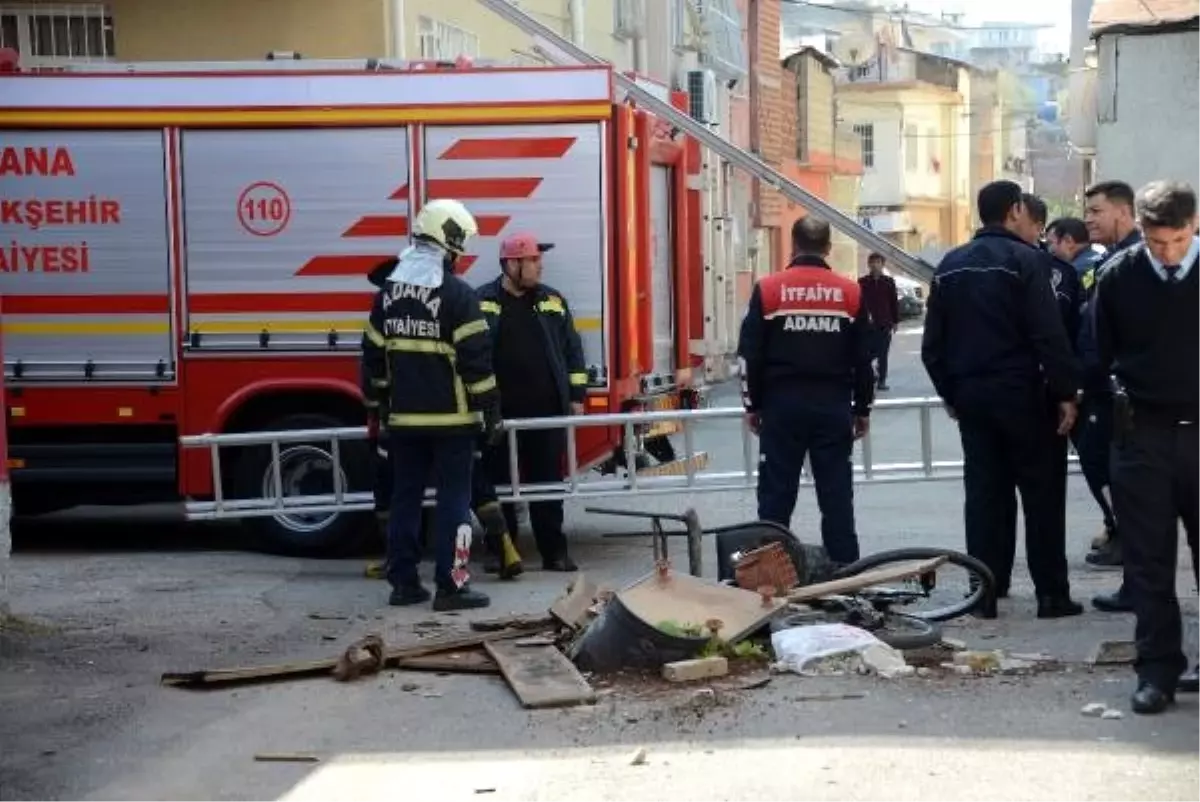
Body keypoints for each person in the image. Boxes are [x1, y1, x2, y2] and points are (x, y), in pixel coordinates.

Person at [921, 180, 1083, 619]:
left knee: (985, 495)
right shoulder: (1028, 262)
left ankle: (985, 593)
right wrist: (1066, 393)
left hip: (974, 397)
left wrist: (952, 393)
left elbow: (931, 346)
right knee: (1042, 495)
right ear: (1015, 211)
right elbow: (1048, 334)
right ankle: (1051, 595)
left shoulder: (950, 266)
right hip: (1026, 394)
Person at [360, 198, 500, 611]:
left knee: (405, 499)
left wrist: (379, 406)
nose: (461, 253)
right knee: (454, 502)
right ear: (447, 240)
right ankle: (451, 587)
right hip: (454, 421)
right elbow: (477, 363)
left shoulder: (387, 295)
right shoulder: (458, 296)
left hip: (403, 421)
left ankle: (403, 583)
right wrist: (491, 411)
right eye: (460, 244)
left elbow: (373, 358)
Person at [1093, 179, 1200, 714]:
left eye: (1178, 241)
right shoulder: (1118, 276)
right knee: (1149, 563)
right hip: (1144, 436)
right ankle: (1157, 670)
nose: (1168, 253)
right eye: (1158, 243)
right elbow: (1100, 351)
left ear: (1194, 224)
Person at [737, 216, 873, 565]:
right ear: (828, 248)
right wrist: (862, 409)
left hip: (781, 408)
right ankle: (847, 574)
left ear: (793, 246)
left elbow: (749, 356)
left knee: (776, 498)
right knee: (837, 497)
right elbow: (864, 359)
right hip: (833, 408)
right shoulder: (851, 292)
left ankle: (768, 575)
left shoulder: (769, 289)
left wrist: (752, 406)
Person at [477, 232, 588, 572]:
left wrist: (577, 395)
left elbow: (572, 348)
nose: (540, 267)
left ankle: (554, 553)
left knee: (547, 485)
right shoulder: (480, 300)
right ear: (512, 264)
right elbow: (470, 354)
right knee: (498, 485)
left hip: (545, 411)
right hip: (499, 413)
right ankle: (502, 553)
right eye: (533, 261)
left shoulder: (552, 300)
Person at [1045, 217, 1119, 570]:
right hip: (1096, 382)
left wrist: (1073, 384)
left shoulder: (1083, 271)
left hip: (1094, 386)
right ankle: (1115, 528)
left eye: (1052, 242)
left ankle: (1122, 533)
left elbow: (1082, 332)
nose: (1049, 250)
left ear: (1067, 242)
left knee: (1098, 464)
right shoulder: (1096, 264)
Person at [1083, 180, 1144, 608]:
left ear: (1123, 212)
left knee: (1136, 494)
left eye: (1097, 211)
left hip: (1127, 396)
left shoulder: (1134, 263)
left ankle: (1140, 589)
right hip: (1114, 391)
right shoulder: (1113, 261)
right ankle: (1136, 583)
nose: (1089, 219)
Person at [857, 252, 900, 391]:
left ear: (882, 264)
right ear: (868, 264)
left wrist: (895, 321)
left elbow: (894, 302)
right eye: (873, 262)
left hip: (884, 323)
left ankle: (882, 380)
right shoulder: (862, 282)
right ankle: (871, 376)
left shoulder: (888, 282)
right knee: (867, 353)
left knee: (883, 354)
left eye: (878, 262)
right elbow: (858, 302)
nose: (875, 265)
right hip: (867, 325)